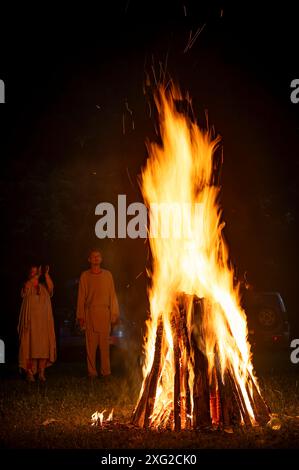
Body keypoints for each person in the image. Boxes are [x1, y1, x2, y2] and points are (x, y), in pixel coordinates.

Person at [76, 249, 119, 379]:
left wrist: (114, 313)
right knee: (91, 346)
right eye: (93, 256)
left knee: (105, 346)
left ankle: (106, 372)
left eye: (98, 256)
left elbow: (112, 295)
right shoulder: (85, 276)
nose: (96, 258)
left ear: (101, 259)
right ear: (89, 259)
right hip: (90, 313)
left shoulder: (108, 275)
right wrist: (81, 316)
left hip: (104, 313)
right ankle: (92, 372)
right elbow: (81, 297)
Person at [18, 265, 56, 382]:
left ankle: (41, 373)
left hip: (43, 323)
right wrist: (36, 276)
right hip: (30, 323)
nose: (36, 274)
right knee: (29, 349)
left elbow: (51, 288)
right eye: (33, 272)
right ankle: (29, 373)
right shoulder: (27, 286)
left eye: (37, 272)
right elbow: (26, 288)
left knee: (43, 348)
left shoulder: (43, 287)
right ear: (29, 274)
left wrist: (46, 275)